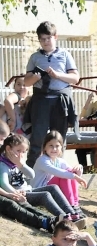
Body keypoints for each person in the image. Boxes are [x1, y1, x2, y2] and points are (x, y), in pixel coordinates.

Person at [23, 21, 80, 165]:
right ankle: (33, 173)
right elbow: (26, 82)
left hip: (60, 101)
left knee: (59, 137)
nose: (45, 42)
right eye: (42, 39)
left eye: (48, 38)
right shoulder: (35, 57)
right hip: (41, 100)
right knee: (38, 137)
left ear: (55, 37)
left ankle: (58, 169)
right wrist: (35, 77)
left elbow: (75, 78)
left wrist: (58, 75)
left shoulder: (65, 54)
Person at [0, 134, 83, 224]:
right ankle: (64, 217)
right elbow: (4, 184)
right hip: (19, 195)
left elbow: (31, 175)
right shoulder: (3, 165)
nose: (21, 155)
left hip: (28, 190)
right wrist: (16, 194)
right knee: (45, 195)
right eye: (18, 151)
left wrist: (21, 164)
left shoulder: (18, 163)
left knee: (53, 187)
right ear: (8, 149)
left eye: (24, 152)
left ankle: (72, 213)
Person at [32, 130, 87, 208]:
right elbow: (58, 172)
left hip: (52, 189)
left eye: (57, 146)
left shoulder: (60, 161)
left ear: (61, 147)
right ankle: (69, 205)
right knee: (65, 175)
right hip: (39, 192)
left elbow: (72, 173)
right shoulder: (42, 160)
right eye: (51, 145)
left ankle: (75, 204)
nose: (54, 149)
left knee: (70, 172)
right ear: (44, 147)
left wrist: (79, 167)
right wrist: (75, 176)